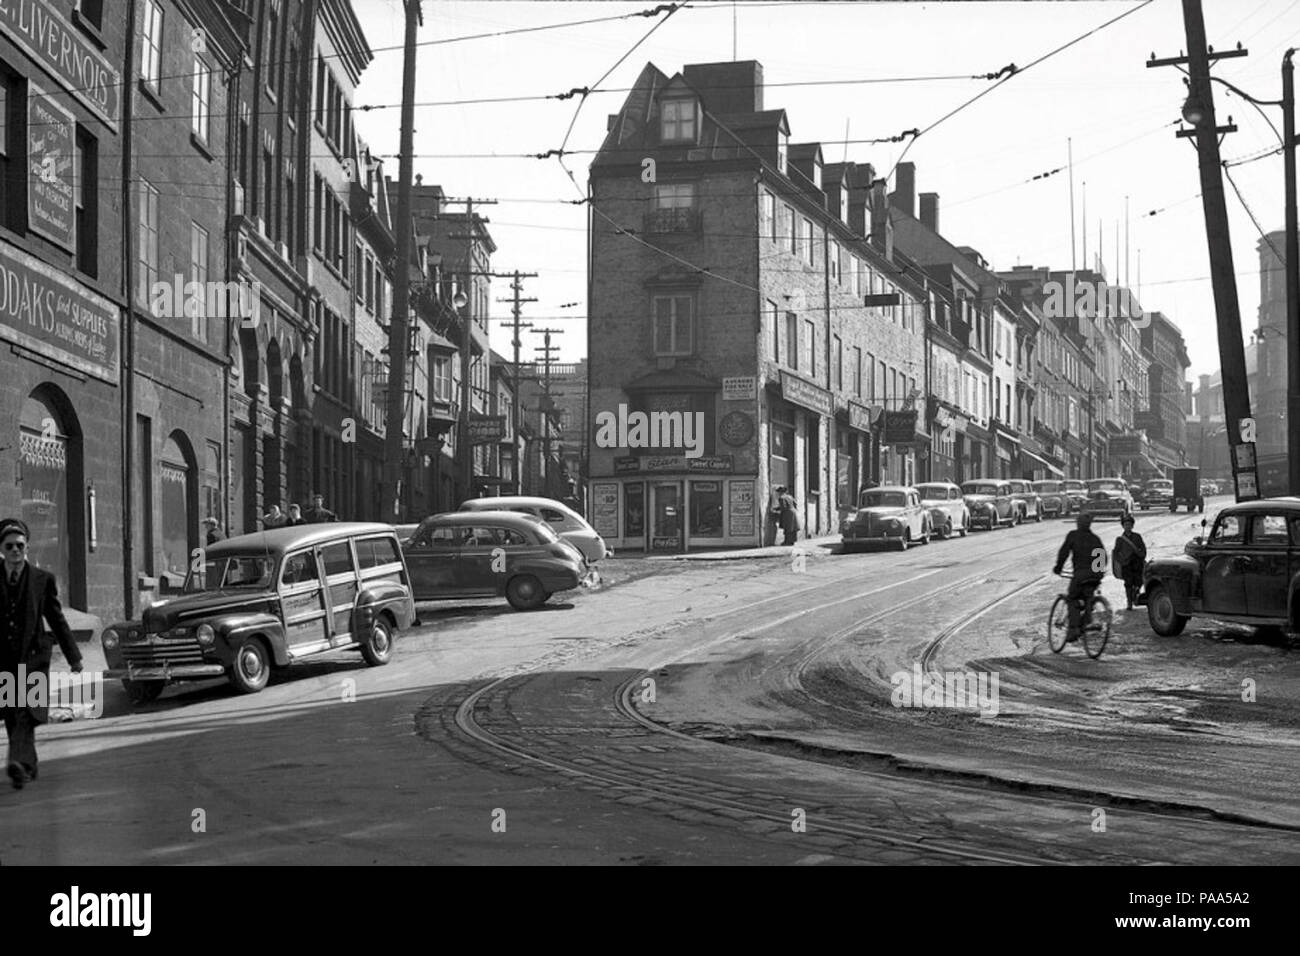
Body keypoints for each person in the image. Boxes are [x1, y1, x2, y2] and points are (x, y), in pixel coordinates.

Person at [0, 519, 82, 789]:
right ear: (1, 549)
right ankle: (27, 765)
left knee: (26, 711)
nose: (15, 550)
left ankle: (17, 762)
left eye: (20, 545)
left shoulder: (41, 579)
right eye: (10, 546)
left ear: (27, 546)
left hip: (34, 657)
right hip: (6, 660)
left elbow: (57, 619)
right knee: (13, 712)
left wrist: (74, 658)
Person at [1052, 512, 1106, 641]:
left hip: (1080, 574)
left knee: (1073, 599)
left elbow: (1064, 552)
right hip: (1095, 575)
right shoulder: (1095, 539)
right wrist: (1097, 575)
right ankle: (1087, 619)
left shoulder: (1073, 536)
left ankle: (1074, 629)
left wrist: (1058, 567)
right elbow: (1102, 558)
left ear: (1078, 523)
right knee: (1088, 597)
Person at [1114, 514, 1147, 610]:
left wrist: (1141, 556)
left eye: (1129, 524)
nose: (1128, 526)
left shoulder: (1137, 537)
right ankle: (1129, 602)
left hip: (1137, 563)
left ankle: (1135, 594)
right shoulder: (1120, 540)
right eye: (1126, 525)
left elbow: (1143, 549)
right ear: (1123, 526)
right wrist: (1121, 561)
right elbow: (1116, 553)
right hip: (1126, 565)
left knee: (1139, 581)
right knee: (1128, 583)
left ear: (1132, 526)